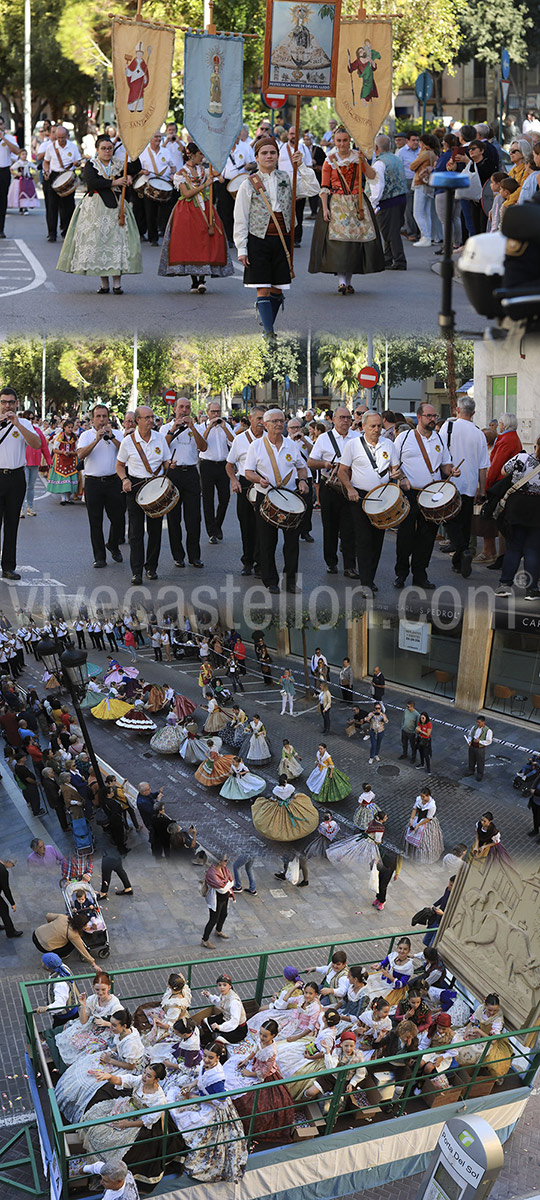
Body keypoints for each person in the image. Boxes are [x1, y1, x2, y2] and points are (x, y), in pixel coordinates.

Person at [234, 134, 300, 336]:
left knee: (278, 288)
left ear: (278, 156)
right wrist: (242, 248)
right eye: (264, 153)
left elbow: (311, 189)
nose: (268, 156)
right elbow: (241, 217)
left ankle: (266, 319)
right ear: (256, 157)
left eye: (272, 152)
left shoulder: (288, 178)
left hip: (282, 238)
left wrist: (301, 167)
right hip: (258, 238)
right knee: (262, 286)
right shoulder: (248, 183)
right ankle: (269, 332)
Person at [57, 135, 141, 293]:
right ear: (97, 150)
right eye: (103, 148)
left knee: (116, 244)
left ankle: (117, 284)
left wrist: (133, 152)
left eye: (109, 148)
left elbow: (135, 168)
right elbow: (92, 182)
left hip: (117, 207)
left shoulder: (118, 163)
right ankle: (104, 284)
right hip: (95, 208)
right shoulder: (91, 165)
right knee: (99, 244)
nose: (107, 151)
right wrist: (114, 182)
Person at [308, 125, 384, 293]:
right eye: (339, 141)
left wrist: (364, 161)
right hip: (337, 204)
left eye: (345, 140)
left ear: (349, 141)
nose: (342, 144)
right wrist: (325, 208)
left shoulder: (358, 157)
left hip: (357, 203)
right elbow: (325, 186)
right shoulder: (329, 160)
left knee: (353, 243)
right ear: (334, 142)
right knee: (339, 243)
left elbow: (371, 177)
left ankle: (347, 282)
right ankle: (342, 282)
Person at [394, 402, 460, 589]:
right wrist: (403, 478)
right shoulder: (404, 438)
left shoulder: (438, 439)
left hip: (432, 495)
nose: (433, 419)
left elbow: (445, 465)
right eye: (429, 416)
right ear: (419, 417)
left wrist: (452, 470)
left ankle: (420, 575)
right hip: (410, 492)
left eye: (434, 416)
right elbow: (394, 464)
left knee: (427, 537)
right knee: (405, 536)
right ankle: (401, 573)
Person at [244, 408, 309, 594]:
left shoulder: (291, 445)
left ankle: (290, 582)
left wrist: (303, 481)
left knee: (292, 543)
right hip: (266, 497)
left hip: (290, 497)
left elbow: (302, 468)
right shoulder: (256, 446)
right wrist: (259, 480)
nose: (280, 424)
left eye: (282, 421)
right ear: (265, 425)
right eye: (275, 421)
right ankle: (270, 580)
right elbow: (248, 472)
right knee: (267, 542)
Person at [338, 411, 399, 592]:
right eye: (372, 426)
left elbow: (395, 468)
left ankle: (370, 578)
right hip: (361, 497)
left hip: (383, 498)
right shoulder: (353, 445)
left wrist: (397, 474)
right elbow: (342, 471)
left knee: (377, 540)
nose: (377, 429)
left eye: (379, 426)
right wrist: (350, 489)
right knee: (364, 540)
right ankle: (365, 582)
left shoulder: (388, 444)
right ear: (363, 426)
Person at [158, 142, 232, 290]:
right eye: (200, 154)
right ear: (192, 155)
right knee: (190, 241)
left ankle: (202, 279)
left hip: (204, 207)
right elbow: (186, 194)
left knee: (206, 239)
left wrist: (217, 175)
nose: (202, 157)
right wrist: (205, 185)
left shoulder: (203, 170)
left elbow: (218, 175)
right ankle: (194, 281)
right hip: (187, 209)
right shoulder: (180, 174)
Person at [115, 405, 171, 584]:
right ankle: (136, 571)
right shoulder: (128, 441)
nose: (150, 421)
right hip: (136, 486)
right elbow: (119, 465)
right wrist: (124, 479)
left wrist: (171, 464)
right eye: (146, 417)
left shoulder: (160, 438)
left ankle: (151, 567)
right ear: (137, 420)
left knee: (155, 531)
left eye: (152, 417)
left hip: (155, 487)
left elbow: (166, 460)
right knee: (135, 532)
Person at [439, 396, 490, 578]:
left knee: (449, 520)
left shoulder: (448, 427)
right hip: (470, 485)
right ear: (474, 413)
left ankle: (463, 550)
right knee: (464, 524)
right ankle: (459, 560)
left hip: (450, 483)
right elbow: (483, 466)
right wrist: (482, 490)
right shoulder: (479, 433)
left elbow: (440, 452)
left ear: (457, 410)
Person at [307, 406, 358, 577]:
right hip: (329, 488)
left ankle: (350, 566)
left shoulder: (358, 438)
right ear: (334, 419)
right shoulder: (323, 439)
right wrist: (325, 464)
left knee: (349, 528)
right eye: (342, 417)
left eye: (348, 418)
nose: (345, 421)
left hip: (350, 488)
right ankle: (331, 562)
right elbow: (311, 462)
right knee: (330, 527)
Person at [0, 387, 41, 579]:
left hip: (16, 477)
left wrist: (18, 425)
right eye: (3, 402)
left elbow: (36, 444)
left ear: (17, 404)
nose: (7, 405)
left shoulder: (23, 422)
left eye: (10, 402)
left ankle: (8, 566)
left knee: (12, 523)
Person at [161, 396, 206, 569]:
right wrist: (173, 429)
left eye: (187, 407)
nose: (184, 410)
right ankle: (178, 555)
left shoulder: (196, 427)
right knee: (174, 518)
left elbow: (203, 447)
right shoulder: (165, 428)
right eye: (181, 407)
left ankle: (194, 556)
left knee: (194, 518)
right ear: (174, 409)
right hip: (173, 474)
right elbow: (162, 448)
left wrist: (193, 427)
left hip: (191, 474)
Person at [77, 404, 124, 567]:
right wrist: (97, 439)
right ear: (92, 419)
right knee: (95, 521)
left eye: (104, 416)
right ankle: (99, 557)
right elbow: (81, 455)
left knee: (118, 519)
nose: (102, 420)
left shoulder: (117, 434)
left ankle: (113, 544)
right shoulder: (86, 435)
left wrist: (112, 438)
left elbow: (125, 453)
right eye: (98, 416)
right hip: (93, 482)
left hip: (113, 481)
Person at [233, 1019, 295, 1142]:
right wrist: (246, 1060)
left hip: (263, 1076)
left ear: (273, 1036)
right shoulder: (261, 1041)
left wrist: (249, 1073)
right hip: (256, 1066)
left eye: (265, 1036)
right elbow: (256, 1049)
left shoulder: (271, 1051)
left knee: (254, 1105)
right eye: (260, 1034)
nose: (261, 1037)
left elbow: (265, 1072)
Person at [494, 436, 540, 600]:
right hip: (537, 509)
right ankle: (532, 589)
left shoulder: (521, 458)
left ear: (536, 445)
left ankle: (505, 585)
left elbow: (503, 471)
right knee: (533, 550)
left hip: (517, 506)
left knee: (513, 547)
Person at [195, 401, 234, 544]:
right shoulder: (201, 427)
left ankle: (217, 525)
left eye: (218, 411)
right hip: (207, 465)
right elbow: (200, 445)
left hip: (223, 465)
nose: (216, 414)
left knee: (225, 498)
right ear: (207, 412)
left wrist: (225, 428)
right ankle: (211, 532)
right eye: (213, 412)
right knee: (208, 499)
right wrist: (209, 427)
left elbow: (233, 442)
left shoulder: (226, 426)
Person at [369, 134, 408, 270]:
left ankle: (399, 260)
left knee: (389, 232)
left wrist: (373, 203)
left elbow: (378, 186)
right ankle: (388, 257)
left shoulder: (379, 163)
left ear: (376, 147)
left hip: (388, 201)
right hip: (401, 197)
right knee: (392, 229)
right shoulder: (396, 159)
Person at [42, 125, 81, 242]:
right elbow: (46, 162)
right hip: (54, 176)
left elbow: (79, 161)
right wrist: (46, 171)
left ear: (67, 136)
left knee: (68, 206)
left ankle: (67, 230)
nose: (60, 140)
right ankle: (52, 233)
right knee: (52, 206)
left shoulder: (72, 146)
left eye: (63, 137)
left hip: (68, 175)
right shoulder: (50, 147)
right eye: (58, 138)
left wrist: (77, 163)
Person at [32, 910, 97, 969]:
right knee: (72, 944)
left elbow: (48, 916)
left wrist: (52, 927)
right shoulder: (73, 935)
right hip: (43, 946)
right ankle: (63, 955)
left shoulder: (63, 917)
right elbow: (82, 949)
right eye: (85, 926)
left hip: (36, 933)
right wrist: (93, 963)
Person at [409, 133, 440, 247]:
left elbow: (412, 166)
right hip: (428, 184)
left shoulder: (425, 153)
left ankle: (425, 237)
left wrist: (420, 154)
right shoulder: (433, 153)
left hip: (421, 183)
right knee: (426, 212)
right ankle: (428, 237)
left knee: (418, 212)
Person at [200, 973, 248, 1046]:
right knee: (205, 1021)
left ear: (230, 986)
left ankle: (217, 1052)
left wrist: (220, 1027)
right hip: (225, 1017)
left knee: (218, 1041)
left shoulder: (234, 1002)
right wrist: (209, 996)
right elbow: (221, 1003)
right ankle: (208, 1039)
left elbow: (234, 1021)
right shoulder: (224, 994)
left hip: (238, 1029)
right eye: (219, 985)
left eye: (224, 985)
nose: (222, 987)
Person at [201, 854, 235, 949]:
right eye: (225, 860)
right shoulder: (212, 873)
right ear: (219, 861)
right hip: (216, 899)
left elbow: (231, 882)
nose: (226, 862)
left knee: (224, 914)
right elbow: (222, 889)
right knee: (213, 920)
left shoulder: (224, 869)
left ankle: (218, 931)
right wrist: (228, 884)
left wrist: (227, 884)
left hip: (224, 898)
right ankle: (205, 940)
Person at [22, 410, 51, 517]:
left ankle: (30, 507)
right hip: (24, 463)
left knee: (31, 486)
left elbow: (44, 446)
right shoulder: (21, 429)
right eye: (28, 418)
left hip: (35, 462)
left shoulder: (38, 431)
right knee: (23, 486)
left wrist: (49, 461)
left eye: (32, 418)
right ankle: (21, 508)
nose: (30, 420)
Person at [403, 790, 444, 863]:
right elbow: (415, 809)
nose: (421, 798)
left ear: (428, 796)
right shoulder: (419, 799)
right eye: (421, 796)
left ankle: (421, 856)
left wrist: (418, 825)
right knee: (410, 832)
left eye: (423, 796)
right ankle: (411, 851)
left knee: (424, 840)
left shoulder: (432, 806)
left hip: (426, 822)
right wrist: (411, 819)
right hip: (418, 818)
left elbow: (428, 818)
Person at [46, 418, 79, 503]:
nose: (70, 429)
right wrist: (63, 452)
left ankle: (68, 498)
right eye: (69, 427)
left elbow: (78, 449)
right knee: (63, 478)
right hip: (61, 460)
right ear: (64, 428)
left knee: (71, 479)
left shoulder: (75, 437)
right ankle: (63, 498)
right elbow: (55, 449)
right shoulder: (59, 436)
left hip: (72, 460)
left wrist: (72, 453)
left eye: (72, 427)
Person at [465, 716, 493, 781]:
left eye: (479, 722)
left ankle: (480, 774)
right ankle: (471, 770)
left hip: (480, 748)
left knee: (480, 761)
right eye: (477, 722)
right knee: (471, 759)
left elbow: (489, 741)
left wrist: (479, 741)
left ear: (483, 722)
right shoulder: (474, 728)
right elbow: (470, 735)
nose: (477, 724)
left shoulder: (488, 731)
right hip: (472, 746)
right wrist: (469, 741)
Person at [0, 857, 22, 937]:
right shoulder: (3, 871)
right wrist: (12, 903)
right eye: (13, 865)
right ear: (8, 862)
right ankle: (10, 932)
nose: (12, 867)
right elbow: (6, 889)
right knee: (4, 909)